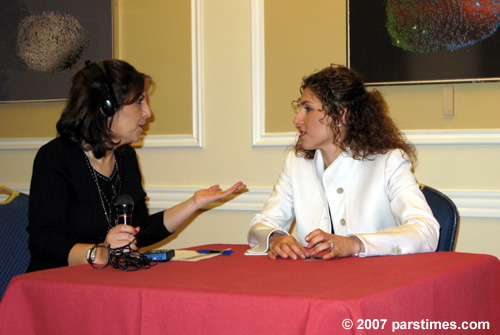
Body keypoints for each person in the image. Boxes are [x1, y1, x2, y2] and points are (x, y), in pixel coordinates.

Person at [27, 59, 246, 271]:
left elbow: (140, 230)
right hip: (56, 285)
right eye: (139, 101)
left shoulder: (125, 157)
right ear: (107, 107)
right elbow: (44, 242)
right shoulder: (55, 157)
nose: (148, 112)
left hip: (103, 284)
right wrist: (100, 253)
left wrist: (194, 203)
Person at [247, 64, 439, 260]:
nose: (297, 119)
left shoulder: (388, 161)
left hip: (376, 282)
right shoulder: (296, 164)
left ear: (342, 115)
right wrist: (275, 238)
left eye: (308, 109)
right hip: (315, 284)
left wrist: (355, 243)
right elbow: (263, 223)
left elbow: (426, 231)